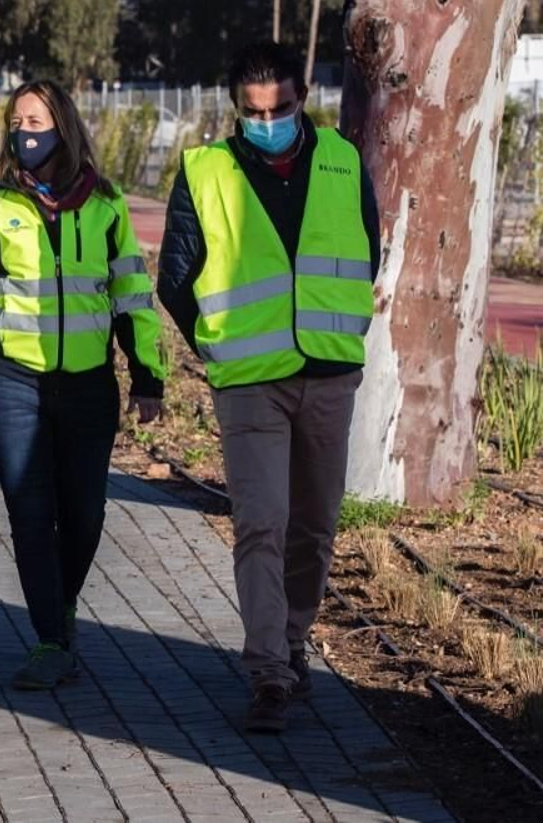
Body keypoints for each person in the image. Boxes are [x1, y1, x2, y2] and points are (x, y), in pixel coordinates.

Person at [157, 40, 379, 734]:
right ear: (235, 111)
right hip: (250, 382)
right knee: (261, 521)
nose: (267, 121)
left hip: (329, 375)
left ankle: (291, 636)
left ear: (301, 97)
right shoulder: (205, 171)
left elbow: (367, 249)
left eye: (279, 108)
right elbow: (175, 276)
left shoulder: (344, 161)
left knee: (314, 527)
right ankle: (269, 672)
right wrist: (217, 347)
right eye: (253, 113)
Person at [0, 80, 165, 691]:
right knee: (31, 512)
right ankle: (50, 638)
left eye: (35, 119)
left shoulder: (107, 205)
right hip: (10, 382)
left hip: (89, 386)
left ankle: (59, 609)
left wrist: (148, 376)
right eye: (15, 121)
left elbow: (132, 298)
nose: (24, 131)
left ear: (62, 126)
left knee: (85, 514)